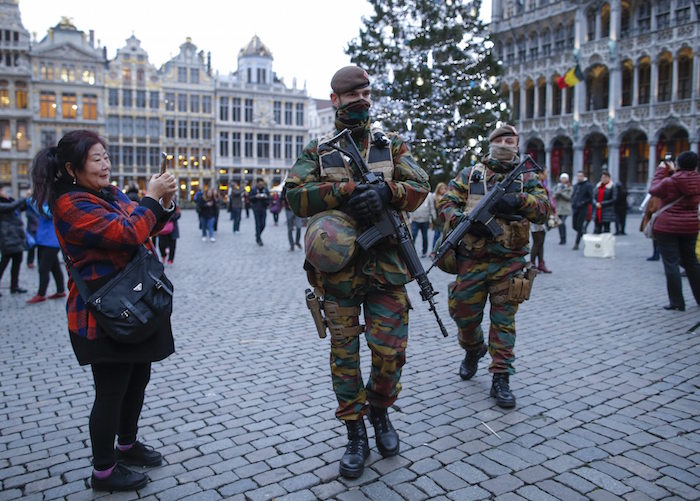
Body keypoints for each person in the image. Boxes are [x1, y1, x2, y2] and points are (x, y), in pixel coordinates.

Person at [286, 65, 430, 478]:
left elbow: (420, 185)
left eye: (366, 92)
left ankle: (381, 411)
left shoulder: (391, 145)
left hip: (387, 268)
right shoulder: (318, 151)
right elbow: (293, 196)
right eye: (352, 94)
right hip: (339, 274)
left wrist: (388, 191)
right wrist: (344, 194)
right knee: (344, 357)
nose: (361, 99)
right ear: (335, 100)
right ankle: (355, 432)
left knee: (391, 353)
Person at [30, 129, 177, 491]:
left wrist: (164, 202)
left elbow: (146, 225)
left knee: (138, 378)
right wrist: (150, 199)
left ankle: (126, 444)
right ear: (71, 168)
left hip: (136, 300)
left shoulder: (109, 193)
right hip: (103, 310)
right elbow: (126, 233)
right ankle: (103, 470)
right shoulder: (70, 203)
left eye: (106, 156)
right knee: (112, 388)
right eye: (96, 159)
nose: (105, 164)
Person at [439, 124, 550, 409]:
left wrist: (518, 200)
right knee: (464, 316)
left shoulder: (528, 177)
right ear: (491, 143)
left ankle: (501, 377)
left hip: (509, 262)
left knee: (504, 322)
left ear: (517, 144)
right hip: (472, 261)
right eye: (501, 139)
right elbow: (447, 203)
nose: (506, 144)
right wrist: (466, 221)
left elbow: (545, 208)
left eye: (511, 140)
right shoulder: (471, 174)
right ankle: (473, 349)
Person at [648, 151, 700, 311]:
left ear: (679, 164)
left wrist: (661, 171)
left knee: (671, 263)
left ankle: (677, 302)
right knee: (692, 263)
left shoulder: (671, 181)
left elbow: (654, 190)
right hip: (691, 225)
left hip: (668, 226)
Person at [26, 201, 66, 304]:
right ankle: (60, 290)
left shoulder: (52, 200)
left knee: (43, 268)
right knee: (55, 267)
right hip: (44, 239)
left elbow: (47, 213)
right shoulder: (43, 200)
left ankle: (41, 294)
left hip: (51, 241)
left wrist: (32, 200)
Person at [0, 184, 28, 295]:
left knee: (17, 262)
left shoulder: (8, 200)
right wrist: (24, 197)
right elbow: (11, 207)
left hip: (16, 236)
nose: (5, 191)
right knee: (4, 263)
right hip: (7, 237)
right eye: (2, 190)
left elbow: (20, 207)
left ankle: (14, 286)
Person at [529, 170, 554, 273]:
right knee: (537, 241)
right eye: (545, 172)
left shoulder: (542, 184)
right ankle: (532, 264)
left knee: (541, 241)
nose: (547, 174)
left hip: (543, 215)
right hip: (536, 215)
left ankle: (541, 263)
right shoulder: (534, 184)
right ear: (539, 174)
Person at [571, 171, 593, 250]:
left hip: (583, 208)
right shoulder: (576, 185)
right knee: (574, 226)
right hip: (575, 208)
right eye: (578, 176)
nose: (579, 178)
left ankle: (576, 243)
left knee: (579, 226)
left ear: (583, 176)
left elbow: (590, 197)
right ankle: (583, 233)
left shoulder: (588, 185)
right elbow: (574, 195)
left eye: (580, 176)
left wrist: (583, 202)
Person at [410, 189, 432, 257]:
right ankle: (411, 251)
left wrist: (431, 220)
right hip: (415, 219)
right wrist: (410, 218)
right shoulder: (414, 192)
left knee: (424, 236)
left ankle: (424, 252)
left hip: (425, 219)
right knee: (413, 235)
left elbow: (431, 207)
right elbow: (410, 204)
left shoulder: (429, 195)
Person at [281, 185, 303, 251]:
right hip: (289, 210)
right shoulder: (285, 187)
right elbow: (282, 197)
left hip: (297, 209)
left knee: (299, 227)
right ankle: (291, 244)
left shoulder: (299, 185)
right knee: (290, 228)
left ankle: (297, 242)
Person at [553, 173, 572, 245]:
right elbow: (553, 196)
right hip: (558, 209)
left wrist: (562, 194)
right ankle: (561, 238)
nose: (563, 180)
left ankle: (564, 238)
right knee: (559, 224)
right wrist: (557, 193)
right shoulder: (557, 186)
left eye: (565, 178)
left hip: (565, 209)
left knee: (562, 223)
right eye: (562, 178)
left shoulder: (569, 187)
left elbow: (569, 197)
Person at [250, 177, 270, 246]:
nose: (260, 185)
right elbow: (250, 198)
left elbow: (269, 198)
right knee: (257, 224)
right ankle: (259, 239)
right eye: (259, 184)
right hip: (256, 209)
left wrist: (266, 197)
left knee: (263, 224)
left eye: (261, 183)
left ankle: (257, 235)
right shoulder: (253, 189)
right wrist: (255, 196)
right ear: (257, 183)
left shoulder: (265, 189)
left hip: (263, 209)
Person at [430, 182, 447, 257]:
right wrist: (433, 219)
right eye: (442, 189)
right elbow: (432, 209)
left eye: (444, 188)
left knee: (444, 236)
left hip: (444, 219)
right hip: (437, 219)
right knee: (436, 235)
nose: (443, 190)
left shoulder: (447, 197)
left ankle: (442, 251)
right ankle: (433, 251)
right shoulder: (434, 197)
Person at [25, 189, 39, 269]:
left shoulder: (36, 202)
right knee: (32, 245)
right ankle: (30, 261)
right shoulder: (30, 202)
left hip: (37, 225)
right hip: (33, 226)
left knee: (37, 245)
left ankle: (31, 261)